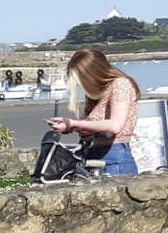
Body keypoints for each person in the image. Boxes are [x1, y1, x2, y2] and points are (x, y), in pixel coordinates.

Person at [47, 48, 141, 176]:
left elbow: (115, 126)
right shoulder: (97, 93)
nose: (81, 85)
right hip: (96, 155)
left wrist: (75, 124)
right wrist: (70, 126)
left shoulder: (120, 85)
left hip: (114, 158)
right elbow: (95, 127)